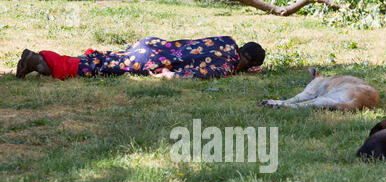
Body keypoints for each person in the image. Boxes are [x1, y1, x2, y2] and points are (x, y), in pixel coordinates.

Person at [16, 36, 265, 80]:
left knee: (106, 59)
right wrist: (169, 75)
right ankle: (40, 61)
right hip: (152, 60)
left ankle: (40, 62)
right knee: (99, 68)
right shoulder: (227, 64)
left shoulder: (226, 41)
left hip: (155, 46)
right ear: (249, 62)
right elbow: (199, 72)